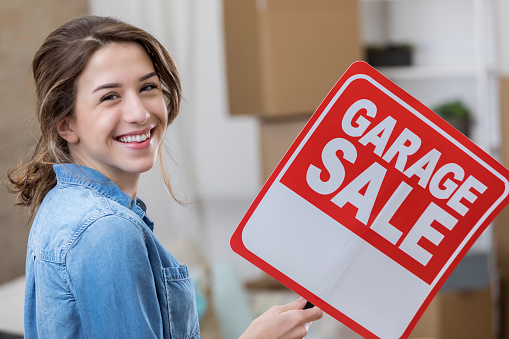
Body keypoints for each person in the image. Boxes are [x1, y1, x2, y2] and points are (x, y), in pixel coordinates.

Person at [7, 15, 323, 338]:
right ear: (66, 124)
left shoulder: (62, 204)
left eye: (147, 87)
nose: (140, 113)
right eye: (109, 96)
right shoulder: (107, 231)